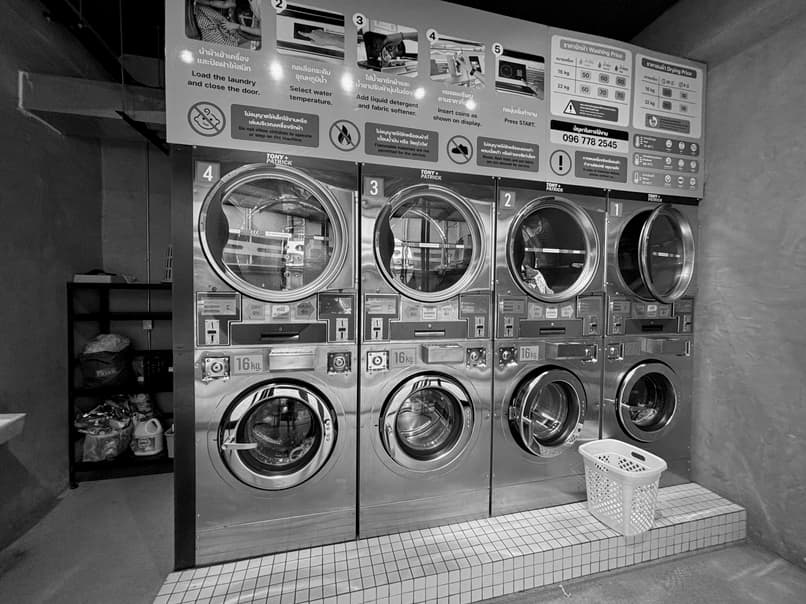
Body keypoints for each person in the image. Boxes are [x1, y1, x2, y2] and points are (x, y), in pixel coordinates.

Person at [519, 214, 554, 295]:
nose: (535, 235)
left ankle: (546, 291)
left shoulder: (525, 239)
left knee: (537, 275)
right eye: (536, 231)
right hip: (520, 276)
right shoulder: (520, 239)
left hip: (523, 273)